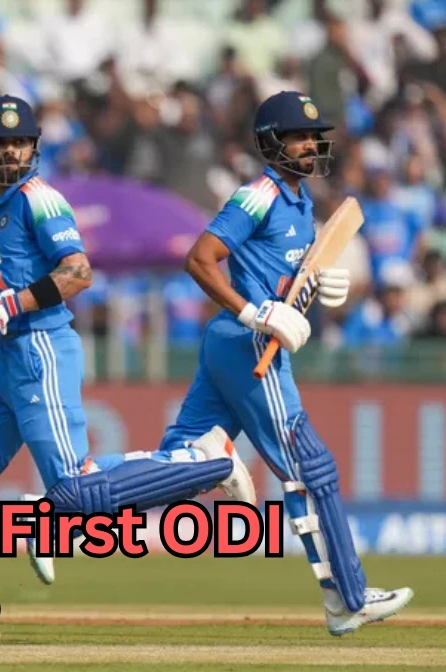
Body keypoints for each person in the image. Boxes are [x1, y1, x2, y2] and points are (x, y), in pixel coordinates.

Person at [0, 95, 255, 643]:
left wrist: (9, 305)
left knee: (73, 492)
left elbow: (77, 271)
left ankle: (205, 459)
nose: (9, 153)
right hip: (9, 355)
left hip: (41, 348)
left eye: (18, 143)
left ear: (34, 149)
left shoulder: (41, 200)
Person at [157, 90, 413, 636]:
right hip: (249, 343)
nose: (311, 145)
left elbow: (284, 282)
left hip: (236, 340)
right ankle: (347, 598)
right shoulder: (258, 195)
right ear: (270, 142)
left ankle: (61, 508)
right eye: (298, 136)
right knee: (310, 467)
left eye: (314, 137)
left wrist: (321, 284)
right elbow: (200, 259)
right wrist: (254, 312)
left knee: (179, 462)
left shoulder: (300, 203)